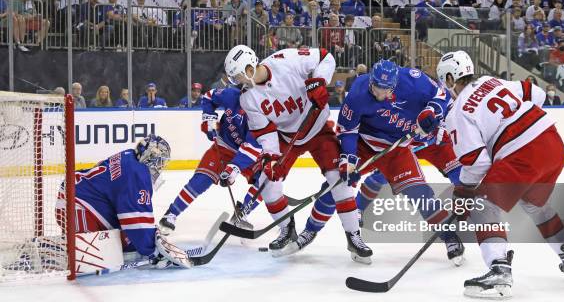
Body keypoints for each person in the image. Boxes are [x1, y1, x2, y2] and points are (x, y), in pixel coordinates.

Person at [439, 51, 564, 299]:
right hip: (551, 143)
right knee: (535, 204)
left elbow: (476, 164)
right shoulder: (492, 81)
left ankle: (499, 269)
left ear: (451, 78)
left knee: (482, 205)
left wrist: (462, 194)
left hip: (521, 155)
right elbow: (536, 94)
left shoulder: (457, 113)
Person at [224, 45, 372, 263]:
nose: (238, 83)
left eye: (238, 77)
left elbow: (325, 57)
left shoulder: (285, 60)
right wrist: (272, 157)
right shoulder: (248, 98)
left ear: (249, 67)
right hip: (287, 137)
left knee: (339, 179)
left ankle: (353, 236)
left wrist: (320, 81)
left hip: (319, 128)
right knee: (267, 180)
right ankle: (287, 229)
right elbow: (265, 132)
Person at [334, 59, 465, 265]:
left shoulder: (418, 84)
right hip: (402, 141)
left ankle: (450, 235)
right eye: (376, 87)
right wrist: (348, 159)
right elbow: (348, 129)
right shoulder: (364, 93)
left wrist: (438, 125)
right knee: (374, 178)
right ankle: (354, 212)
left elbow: (444, 105)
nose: (379, 93)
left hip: (431, 141)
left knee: (425, 192)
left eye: (384, 89)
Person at [55, 135, 190, 268]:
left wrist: (148, 238)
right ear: (151, 158)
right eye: (160, 162)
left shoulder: (128, 155)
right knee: (88, 257)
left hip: (77, 194)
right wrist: (154, 252)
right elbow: (136, 223)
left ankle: (69, 244)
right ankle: (64, 249)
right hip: (77, 204)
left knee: (129, 243)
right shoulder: (137, 174)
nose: (160, 167)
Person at [159, 85, 264, 234]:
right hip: (222, 146)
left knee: (267, 178)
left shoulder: (262, 116)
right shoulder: (231, 94)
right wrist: (209, 118)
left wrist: (233, 169)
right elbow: (208, 96)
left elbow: (251, 148)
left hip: (247, 155)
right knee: (201, 179)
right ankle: (171, 214)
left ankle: (243, 211)